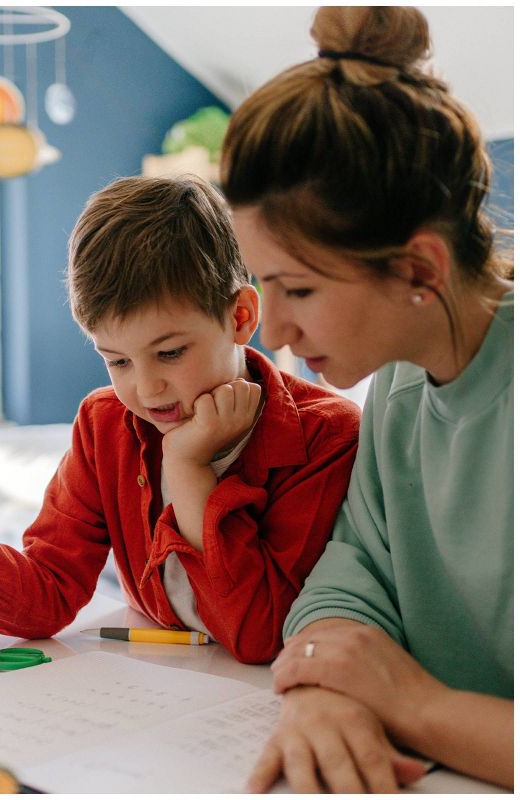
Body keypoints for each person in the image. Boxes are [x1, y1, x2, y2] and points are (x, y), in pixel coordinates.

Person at [0, 175, 360, 664]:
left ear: (240, 316)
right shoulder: (105, 423)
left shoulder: (327, 435)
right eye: (118, 361)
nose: (147, 389)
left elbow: (260, 634)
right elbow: (46, 594)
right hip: (158, 689)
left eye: (170, 353)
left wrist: (188, 468)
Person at [221, 5, 512, 792]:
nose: (273, 329)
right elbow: (352, 573)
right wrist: (321, 689)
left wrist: (413, 705)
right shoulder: (399, 386)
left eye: (298, 289)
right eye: (263, 286)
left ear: (419, 269)